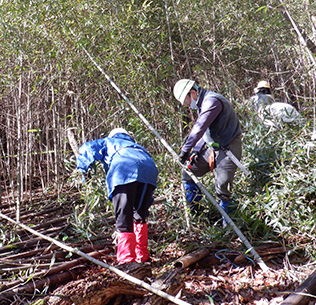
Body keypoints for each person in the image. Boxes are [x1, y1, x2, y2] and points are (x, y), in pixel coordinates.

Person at [75, 128, 158, 264]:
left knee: (124, 216)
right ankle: (142, 256)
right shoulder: (137, 146)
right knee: (139, 215)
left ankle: (127, 260)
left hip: (124, 170)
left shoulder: (110, 141)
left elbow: (88, 148)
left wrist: (82, 169)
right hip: (149, 170)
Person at [173, 79, 242, 224]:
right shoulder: (202, 103)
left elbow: (200, 127)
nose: (188, 106)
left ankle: (230, 227)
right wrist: (196, 150)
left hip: (228, 149)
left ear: (192, 93)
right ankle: (197, 216)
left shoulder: (212, 101)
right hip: (213, 149)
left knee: (222, 186)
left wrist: (185, 150)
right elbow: (206, 131)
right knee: (188, 173)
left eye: (186, 102)